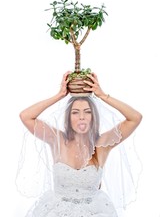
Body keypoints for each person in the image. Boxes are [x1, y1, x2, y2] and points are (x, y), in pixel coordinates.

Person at [17, 71, 142, 217]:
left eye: (87, 112)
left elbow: (135, 118)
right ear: (68, 118)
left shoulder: (102, 145)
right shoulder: (57, 140)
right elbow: (26, 116)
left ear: (93, 117)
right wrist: (59, 95)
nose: (82, 117)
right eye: (75, 112)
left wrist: (102, 95)